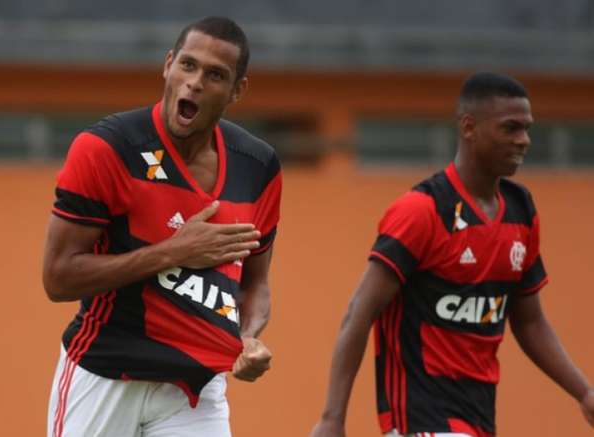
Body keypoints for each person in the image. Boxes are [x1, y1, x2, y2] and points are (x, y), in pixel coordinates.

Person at [310, 72, 594, 437]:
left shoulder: (521, 211)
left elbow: (529, 321)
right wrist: (332, 418)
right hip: (419, 420)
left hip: (478, 420)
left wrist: (583, 391)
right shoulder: (422, 211)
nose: (523, 140)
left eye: (527, 129)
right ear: (469, 127)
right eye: (510, 128)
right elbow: (360, 312)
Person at [41, 16, 282, 437]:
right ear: (168, 65)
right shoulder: (106, 149)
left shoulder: (258, 166)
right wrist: (173, 251)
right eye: (188, 65)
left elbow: (255, 284)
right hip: (106, 374)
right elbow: (58, 279)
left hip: (195, 391)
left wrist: (247, 337)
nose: (194, 83)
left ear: (237, 90)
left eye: (215, 75)